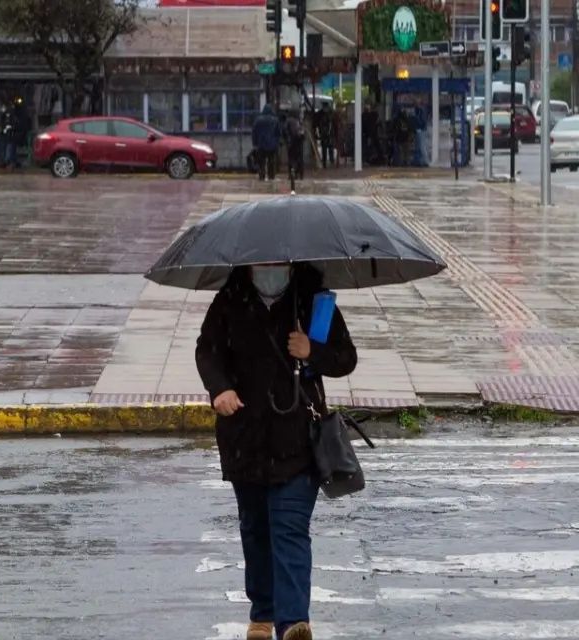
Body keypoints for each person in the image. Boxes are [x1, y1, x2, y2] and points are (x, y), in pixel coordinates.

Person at [196, 263, 358, 640]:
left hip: (298, 437)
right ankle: (263, 614)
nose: (271, 270)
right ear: (249, 265)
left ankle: (292, 622)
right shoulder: (229, 299)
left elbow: (345, 357)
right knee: (255, 529)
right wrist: (219, 389)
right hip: (244, 436)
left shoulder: (314, 302)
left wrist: (311, 351)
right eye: (263, 264)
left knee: (289, 528)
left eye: (279, 264)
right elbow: (208, 350)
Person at [251, 105, 280, 181]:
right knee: (271, 161)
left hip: (261, 144)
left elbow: (254, 132)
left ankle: (262, 175)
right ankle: (271, 176)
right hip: (272, 144)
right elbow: (278, 133)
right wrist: (277, 142)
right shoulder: (275, 120)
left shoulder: (258, 120)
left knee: (261, 162)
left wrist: (255, 143)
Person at [284, 111, 306, 180]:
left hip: (291, 143)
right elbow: (303, 132)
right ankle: (300, 174)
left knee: (291, 159)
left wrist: (286, 140)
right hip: (299, 143)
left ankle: (292, 174)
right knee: (299, 159)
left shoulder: (288, 121)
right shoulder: (299, 121)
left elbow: (284, 130)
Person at [314, 102, 335, 169]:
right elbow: (317, 124)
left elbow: (331, 123)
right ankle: (326, 162)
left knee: (329, 147)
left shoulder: (329, 113)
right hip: (324, 133)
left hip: (328, 133)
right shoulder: (323, 114)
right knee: (325, 148)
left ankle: (329, 161)